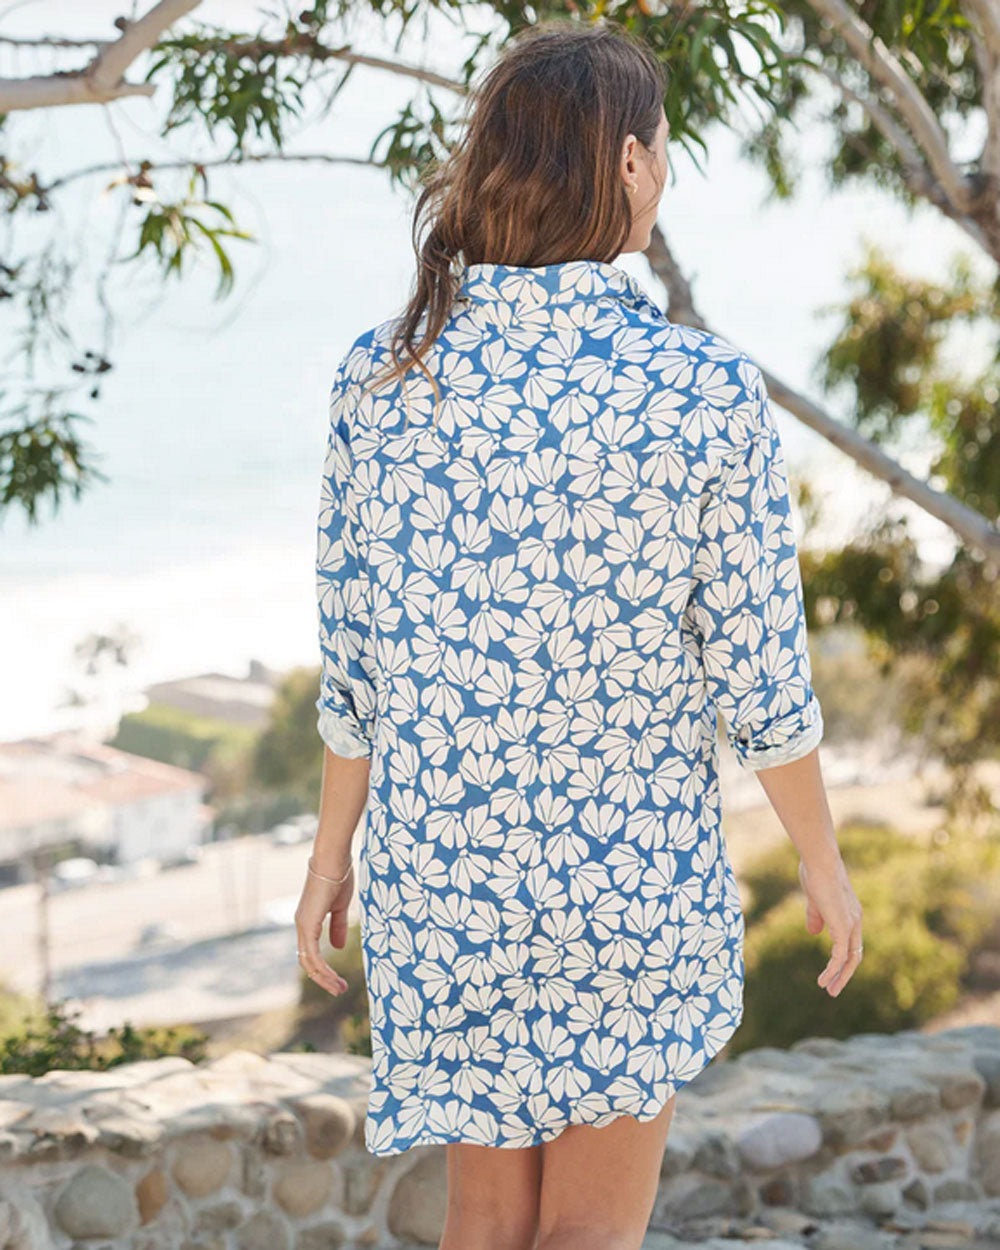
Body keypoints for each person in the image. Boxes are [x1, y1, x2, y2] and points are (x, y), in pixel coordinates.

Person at [296, 17, 863, 1250]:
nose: (662, 170)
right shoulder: (703, 390)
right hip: (625, 890)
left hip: (447, 881)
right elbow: (762, 679)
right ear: (625, 166)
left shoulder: (378, 380)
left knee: (485, 1227)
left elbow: (357, 665)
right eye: (658, 148)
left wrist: (328, 852)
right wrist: (820, 858)